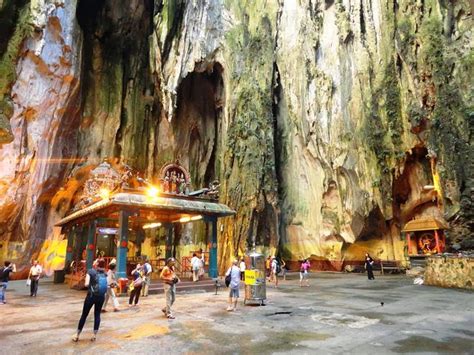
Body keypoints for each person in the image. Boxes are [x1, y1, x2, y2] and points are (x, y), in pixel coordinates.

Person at [72, 258, 107, 342]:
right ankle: (94, 335)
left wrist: (91, 284)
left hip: (91, 296)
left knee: (84, 315)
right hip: (101, 297)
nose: (93, 262)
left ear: (96, 264)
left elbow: (86, 284)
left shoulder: (91, 271)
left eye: (95, 261)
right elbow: (107, 284)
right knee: (97, 315)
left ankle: (77, 335)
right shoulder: (105, 274)